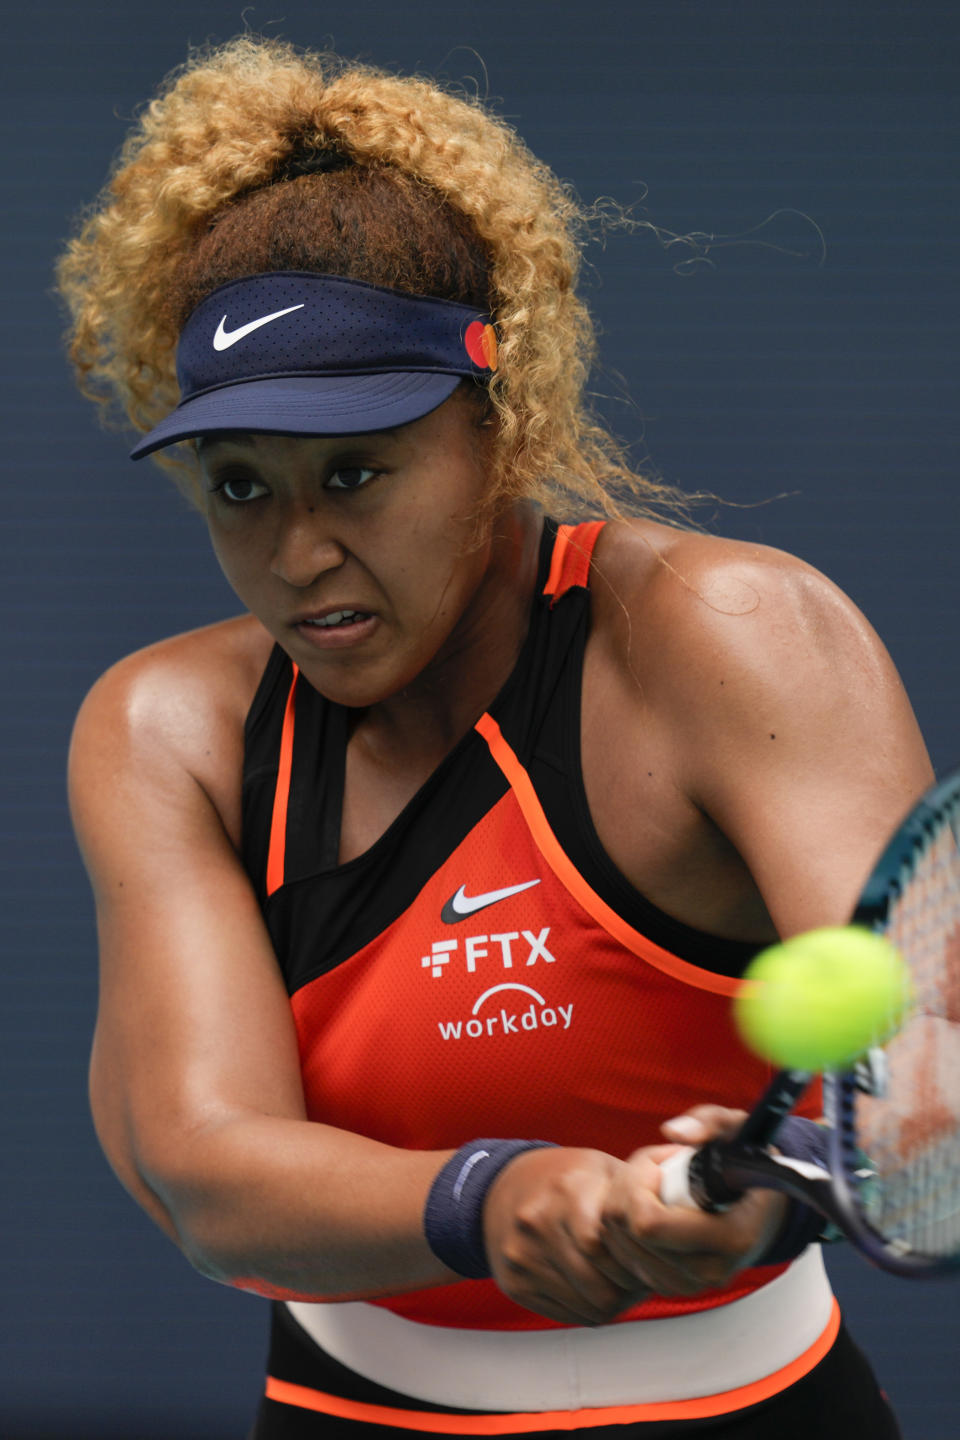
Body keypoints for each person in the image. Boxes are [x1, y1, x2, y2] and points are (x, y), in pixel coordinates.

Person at [58, 35, 931, 1440]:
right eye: (240, 485)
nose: (298, 553)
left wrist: (780, 1182)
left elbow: (926, 1047)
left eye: (357, 470)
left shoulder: (732, 636)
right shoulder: (170, 730)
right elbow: (207, 1176)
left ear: (499, 425)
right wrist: (495, 1193)